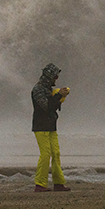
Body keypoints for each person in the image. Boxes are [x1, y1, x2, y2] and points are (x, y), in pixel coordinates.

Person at [31, 62, 71, 192]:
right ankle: (40, 184)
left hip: (51, 126)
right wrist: (59, 96)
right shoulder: (37, 90)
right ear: (49, 76)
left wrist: (59, 96)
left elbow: (52, 106)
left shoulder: (48, 89)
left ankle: (58, 183)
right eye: (55, 76)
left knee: (56, 153)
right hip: (41, 127)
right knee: (46, 154)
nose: (56, 79)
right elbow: (47, 108)